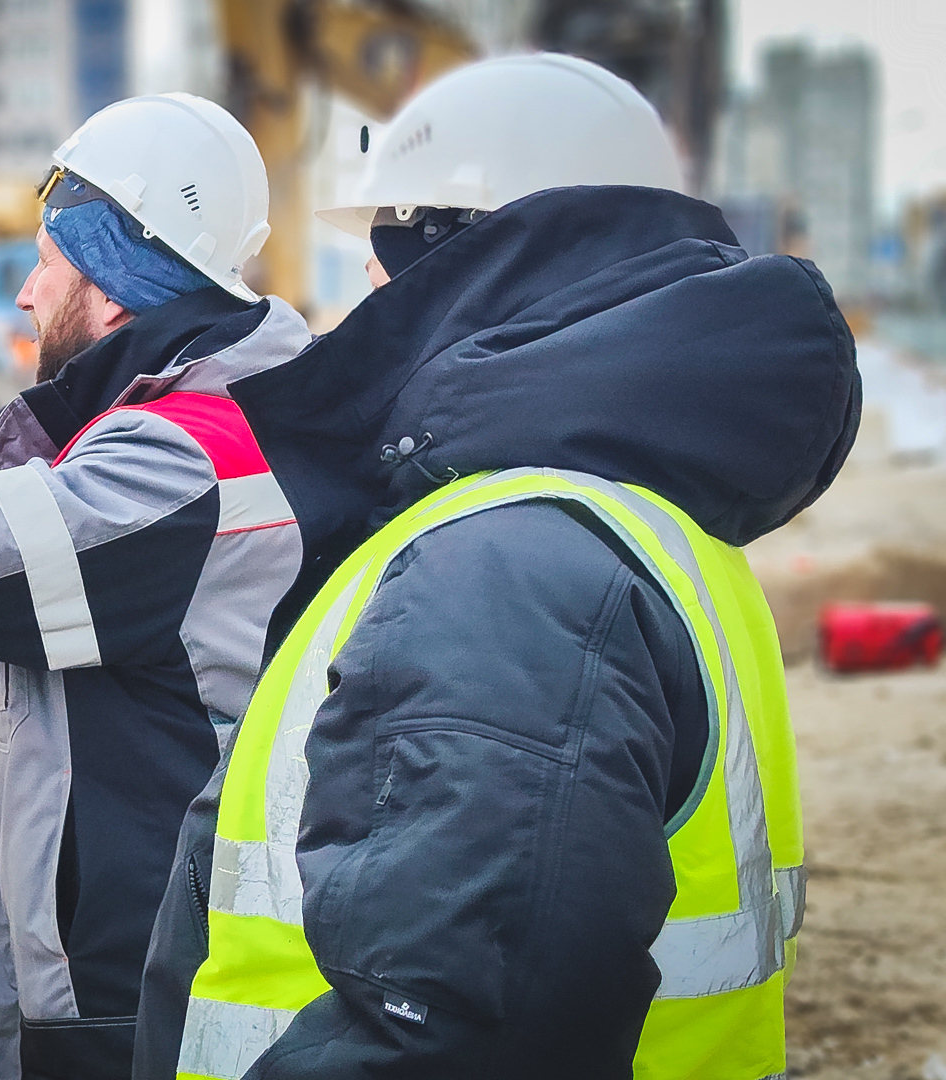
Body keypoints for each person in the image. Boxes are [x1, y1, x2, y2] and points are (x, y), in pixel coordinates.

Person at [133, 54, 860, 1079]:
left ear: (488, 258)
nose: (371, 289)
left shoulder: (508, 561)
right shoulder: (633, 521)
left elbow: (459, 1035)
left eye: (392, 247)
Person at [0, 93, 314, 1079]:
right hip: (176, 933)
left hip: (132, 976)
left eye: (47, 261)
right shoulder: (257, 409)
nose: (24, 296)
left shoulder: (183, 457)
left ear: (119, 286)